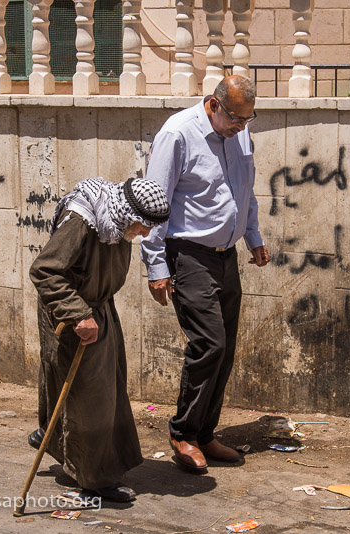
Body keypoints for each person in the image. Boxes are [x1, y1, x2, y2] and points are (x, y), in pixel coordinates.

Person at [141, 76, 270, 470]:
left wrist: (253, 235)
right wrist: (156, 264)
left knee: (226, 348)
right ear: (212, 104)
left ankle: (204, 433)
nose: (241, 126)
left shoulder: (239, 134)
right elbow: (154, 201)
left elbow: (245, 190)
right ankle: (182, 433)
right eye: (235, 117)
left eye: (248, 119)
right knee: (209, 344)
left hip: (226, 254)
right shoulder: (177, 135)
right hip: (189, 254)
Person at [28, 176, 170, 502]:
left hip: (99, 309)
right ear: (125, 212)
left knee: (108, 390)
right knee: (90, 400)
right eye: (142, 226)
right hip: (73, 315)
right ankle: (93, 480)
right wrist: (77, 313)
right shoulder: (82, 221)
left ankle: (56, 441)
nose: (144, 234)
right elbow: (45, 270)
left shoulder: (115, 222)